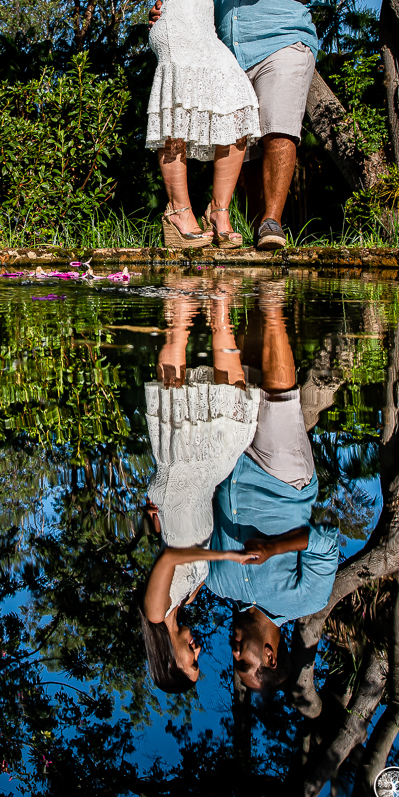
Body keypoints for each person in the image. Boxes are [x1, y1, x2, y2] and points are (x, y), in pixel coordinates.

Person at [148, 0, 340, 251]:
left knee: (278, 128)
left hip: (282, 42)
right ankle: (228, 220)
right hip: (227, 46)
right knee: (243, 134)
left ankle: (271, 222)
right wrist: (169, 5)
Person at [205, 279, 339, 691]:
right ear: (269, 656)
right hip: (283, 480)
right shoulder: (307, 601)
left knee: (240, 373)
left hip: (229, 465)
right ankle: (272, 300)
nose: (232, 652)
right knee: (280, 394)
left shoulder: (215, 584)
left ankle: (234, 287)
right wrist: (275, 548)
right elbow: (326, 542)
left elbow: (190, 532)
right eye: (241, 663)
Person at [141, 0, 261, 251]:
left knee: (237, 100)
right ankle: (179, 212)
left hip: (203, 26)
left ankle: (219, 211)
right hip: (177, 23)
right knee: (176, 117)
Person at [141, 281, 261, 692]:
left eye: (190, 663)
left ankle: (182, 312)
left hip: (182, 487)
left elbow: (171, 555)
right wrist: (156, 526)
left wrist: (225, 553)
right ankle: (219, 310)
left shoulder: (156, 612)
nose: (196, 653)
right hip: (198, 488)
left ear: (170, 663)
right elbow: (168, 546)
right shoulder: (187, 598)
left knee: (181, 405)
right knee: (230, 418)